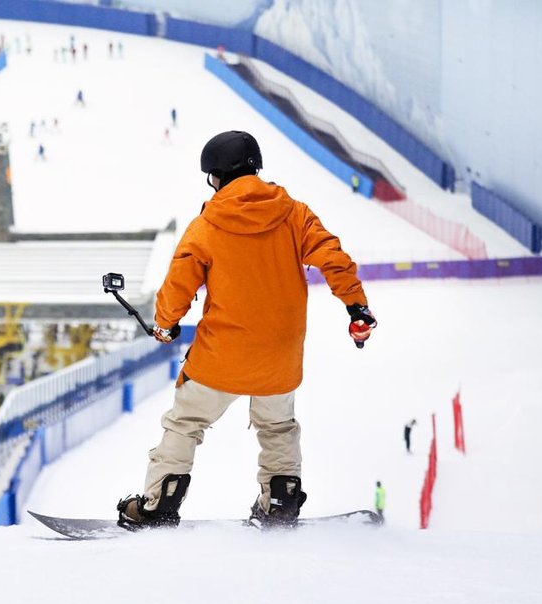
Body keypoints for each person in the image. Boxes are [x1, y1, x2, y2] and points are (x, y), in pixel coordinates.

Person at [116, 131, 376, 530]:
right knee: (278, 426)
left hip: (221, 355)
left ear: (216, 176)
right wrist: (356, 307)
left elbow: (178, 284)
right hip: (279, 354)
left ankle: (159, 504)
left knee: (185, 423)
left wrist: (166, 325)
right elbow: (334, 258)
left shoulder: (206, 225)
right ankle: (281, 500)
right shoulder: (294, 213)